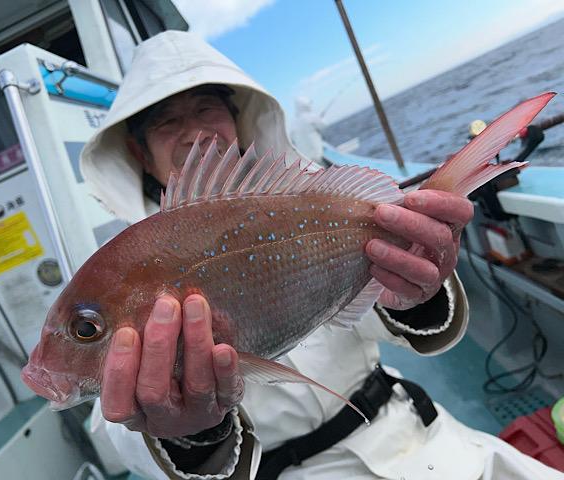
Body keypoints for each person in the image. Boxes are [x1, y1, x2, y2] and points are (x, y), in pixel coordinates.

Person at [80, 31, 563, 479]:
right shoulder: (112, 273)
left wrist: (415, 290)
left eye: (206, 107)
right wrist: (186, 431)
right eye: (166, 122)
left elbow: (379, 312)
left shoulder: (309, 197)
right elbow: (110, 430)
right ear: (139, 153)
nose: (194, 133)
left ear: (237, 118)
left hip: (420, 432)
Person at [290, 96, 327, 166]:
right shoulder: (310, 117)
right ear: (306, 105)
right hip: (317, 157)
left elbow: (292, 140)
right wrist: (322, 118)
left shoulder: (293, 123)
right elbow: (324, 125)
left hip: (305, 161)